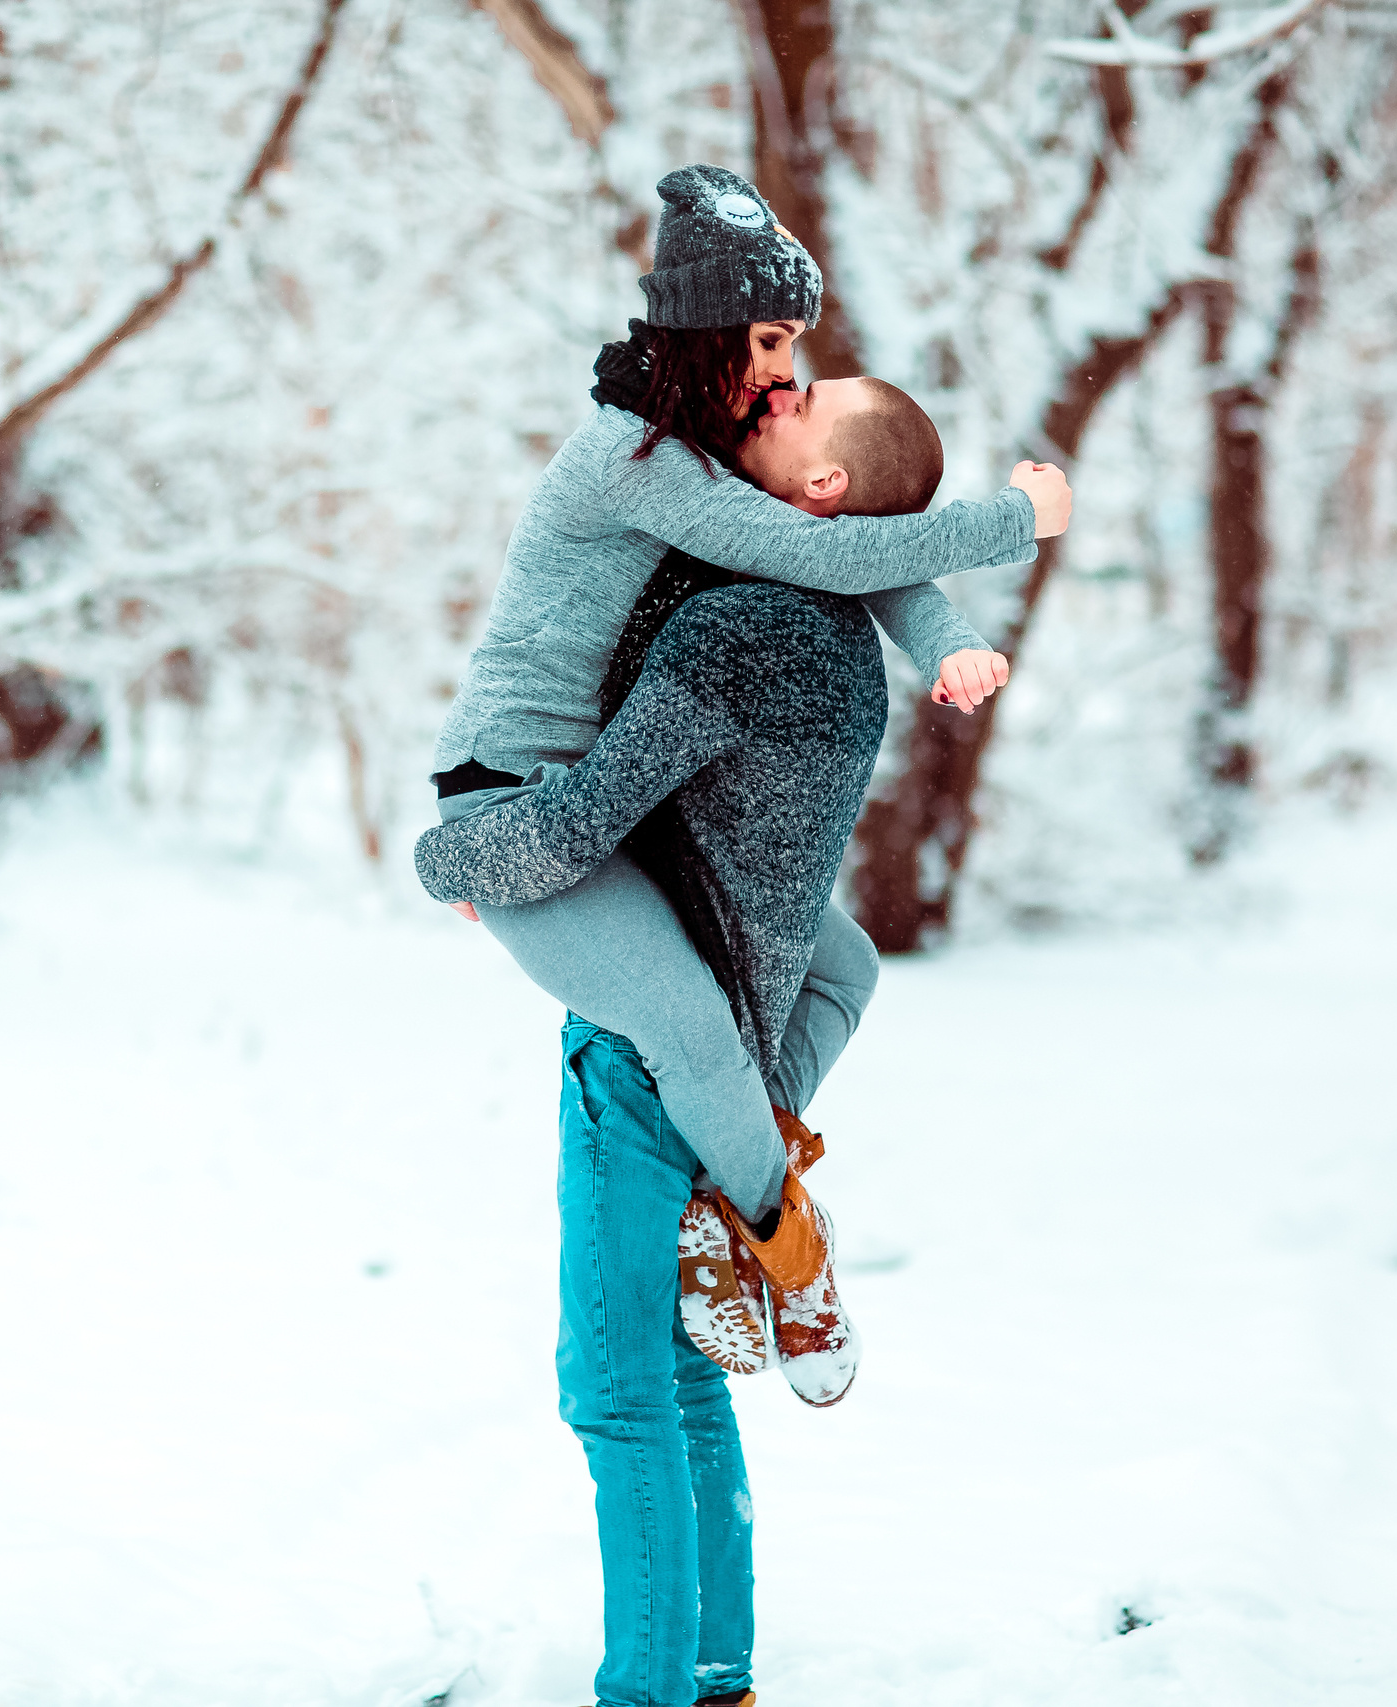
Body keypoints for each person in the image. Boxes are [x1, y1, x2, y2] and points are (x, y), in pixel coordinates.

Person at [426, 163, 1069, 1707]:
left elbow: (866, 535)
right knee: (700, 1055)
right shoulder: (635, 456)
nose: (789, 376)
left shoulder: (737, 465)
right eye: (776, 351)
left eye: (798, 360)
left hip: (598, 815)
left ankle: (764, 1215)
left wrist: (960, 642)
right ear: (718, 342)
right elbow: (839, 544)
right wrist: (1017, 521)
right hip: (531, 789)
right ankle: (768, 1213)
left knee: (803, 988)